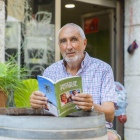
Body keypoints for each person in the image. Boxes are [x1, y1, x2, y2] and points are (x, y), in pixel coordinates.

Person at [30, 23, 121, 140]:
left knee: (112, 138)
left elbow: (110, 115)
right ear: (59, 46)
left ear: (84, 44)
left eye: (73, 40)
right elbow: (44, 113)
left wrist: (92, 106)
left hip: (94, 130)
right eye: (63, 41)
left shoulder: (103, 69)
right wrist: (37, 103)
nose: (68, 46)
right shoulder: (50, 71)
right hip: (60, 130)